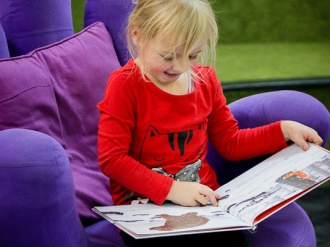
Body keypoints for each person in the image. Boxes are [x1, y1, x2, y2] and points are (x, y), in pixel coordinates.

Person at [97, 0, 323, 245]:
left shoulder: (205, 81)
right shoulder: (125, 86)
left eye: (193, 55)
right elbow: (112, 159)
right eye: (168, 56)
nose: (182, 67)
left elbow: (231, 142)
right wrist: (172, 190)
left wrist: (282, 131)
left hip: (206, 205)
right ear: (138, 35)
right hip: (145, 211)